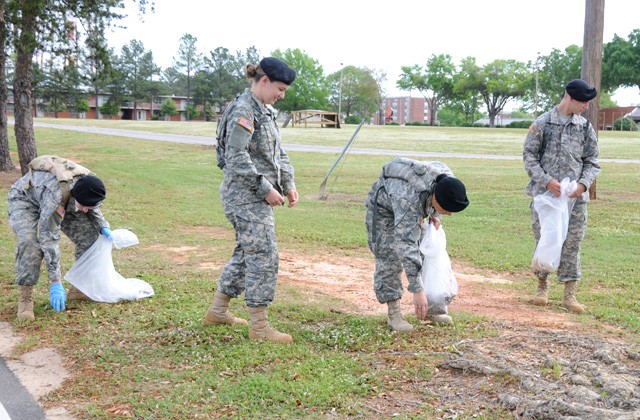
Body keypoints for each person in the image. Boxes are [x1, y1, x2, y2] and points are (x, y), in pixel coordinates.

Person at [205, 57, 298, 343]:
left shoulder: (265, 111)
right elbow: (235, 157)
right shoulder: (244, 110)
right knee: (263, 254)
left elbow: (277, 153)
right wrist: (265, 188)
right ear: (265, 80)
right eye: (279, 89)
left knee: (247, 253)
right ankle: (259, 327)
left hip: (254, 195)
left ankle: (217, 310)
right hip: (243, 196)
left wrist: (288, 182)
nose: (281, 96)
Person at [523, 79, 601, 313]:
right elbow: (529, 157)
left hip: (574, 200)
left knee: (572, 243)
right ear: (569, 97)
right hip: (545, 197)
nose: (586, 107)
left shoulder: (585, 127)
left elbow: (592, 162)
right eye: (583, 102)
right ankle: (542, 286)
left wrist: (583, 185)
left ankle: (569, 293)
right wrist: (547, 180)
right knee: (545, 239)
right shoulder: (543, 123)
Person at [365, 157, 469, 332]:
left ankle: (432, 308)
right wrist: (417, 290)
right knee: (390, 256)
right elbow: (406, 244)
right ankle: (394, 314)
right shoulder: (408, 198)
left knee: (425, 251)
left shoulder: (446, 179)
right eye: (447, 209)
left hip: (416, 205)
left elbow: (436, 201)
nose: (449, 214)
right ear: (435, 197)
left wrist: (436, 213)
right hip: (384, 210)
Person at [8, 155, 112, 321]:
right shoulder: (55, 196)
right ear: (75, 195)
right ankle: (26, 297)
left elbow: (91, 206)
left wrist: (103, 225)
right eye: (84, 205)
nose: (86, 210)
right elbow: (49, 237)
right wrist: (55, 281)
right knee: (29, 243)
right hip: (25, 200)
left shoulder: (89, 184)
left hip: (68, 201)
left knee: (90, 238)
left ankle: (79, 287)